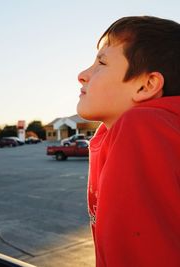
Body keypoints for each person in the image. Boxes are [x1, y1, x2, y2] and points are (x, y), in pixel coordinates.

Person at [77, 16, 180, 267]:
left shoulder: (143, 126)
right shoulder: (114, 134)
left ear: (147, 85)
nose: (82, 75)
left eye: (101, 63)